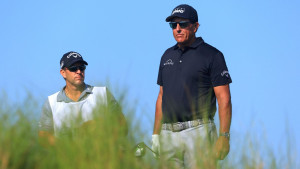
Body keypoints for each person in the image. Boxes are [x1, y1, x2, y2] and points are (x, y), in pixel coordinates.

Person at [152, 4, 232, 168]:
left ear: (195, 26)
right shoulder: (167, 55)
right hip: (168, 134)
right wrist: (155, 135)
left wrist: (224, 136)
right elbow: (161, 96)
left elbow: (224, 98)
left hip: (199, 132)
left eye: (183, 24)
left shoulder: (212, 55)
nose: (178, 29)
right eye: (174, 25)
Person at [39, 51, 127, 143]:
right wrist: (66, 146)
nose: (79, 71)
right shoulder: (51, 102)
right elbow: (44, 136)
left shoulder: (102, 93)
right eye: (73, 68)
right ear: (63, 72)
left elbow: (122, 125)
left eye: (82, 68)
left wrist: (99, 125)